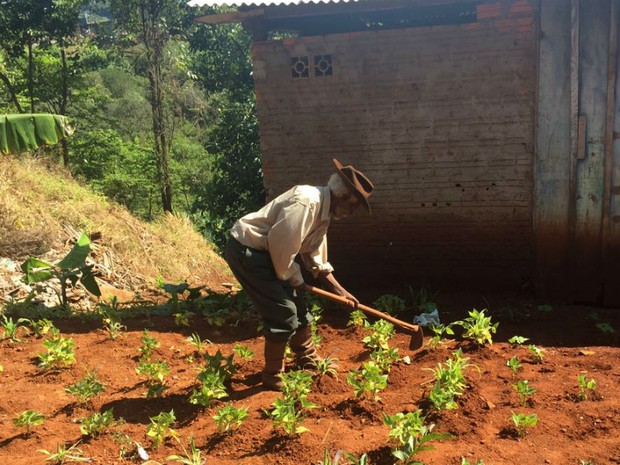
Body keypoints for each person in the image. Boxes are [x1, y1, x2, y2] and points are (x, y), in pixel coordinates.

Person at [224, 158, 375, 390]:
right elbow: (281, 250)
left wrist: (341, 291)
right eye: (353, 206)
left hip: (270, 253)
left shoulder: (324, 214)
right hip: (248, 251)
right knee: (283, 310)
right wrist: (297, 280)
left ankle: (306, 356)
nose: (351, 212)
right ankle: (272, 374)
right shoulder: (306, 202)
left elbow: (315, 258)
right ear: (343, 197)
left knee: (298, 303)